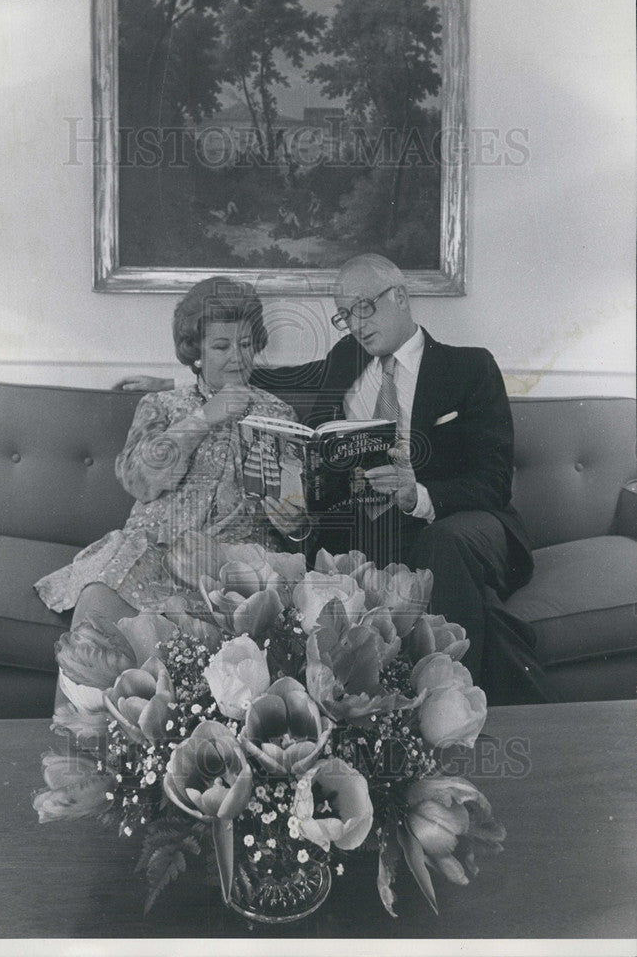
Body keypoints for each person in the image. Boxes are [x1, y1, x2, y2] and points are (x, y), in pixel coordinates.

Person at [306, 253, 535, 686]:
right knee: (323, 546)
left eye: (363, 308)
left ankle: (452, 693)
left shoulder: (470, 368)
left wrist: (418, 494)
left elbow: (493, 482)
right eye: (343, 315)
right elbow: (308, 406)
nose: (355, 324)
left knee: (442, 545)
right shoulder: (345, 359)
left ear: (400, 296)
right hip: (374, 525)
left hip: (454, 520)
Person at [35, 277, 307, 631]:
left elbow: (297, 515)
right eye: (222, 346)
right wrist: (203, 418)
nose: (238, 358)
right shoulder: (161, 405)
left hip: (236, 564)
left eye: (245, 344)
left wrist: (295, 522)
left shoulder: (279, 415)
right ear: (196, 353)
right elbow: (139, 481)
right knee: (95, 620)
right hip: (156, 552)